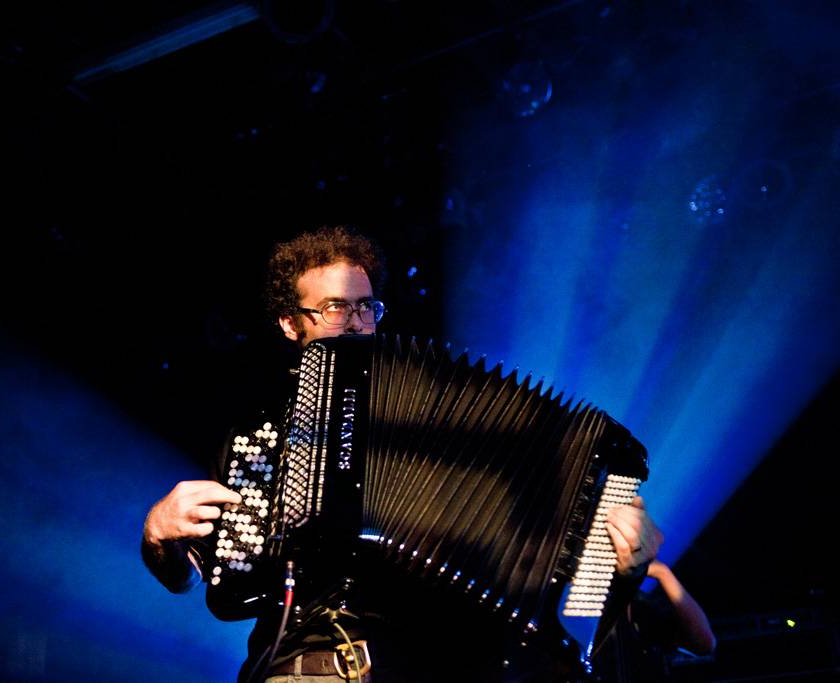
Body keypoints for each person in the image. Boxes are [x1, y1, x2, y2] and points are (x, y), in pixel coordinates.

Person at [142, 225, 663, 682]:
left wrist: (616, 558)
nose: (355, 322)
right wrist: (158, 537)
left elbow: (544, 555)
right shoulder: (262, 437)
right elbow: (200, 581)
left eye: (365, 306)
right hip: (314, 664)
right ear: (290, 323)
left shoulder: (443, 416)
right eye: (333, 308)